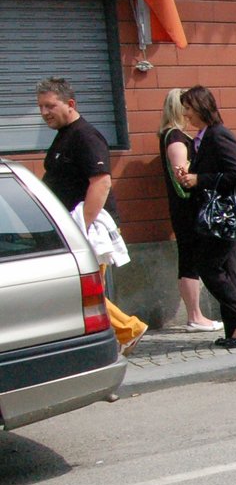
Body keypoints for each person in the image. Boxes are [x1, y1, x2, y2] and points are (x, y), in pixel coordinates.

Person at [35, 77, 148, 355]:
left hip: (87, 228)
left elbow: (101, 182)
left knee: (81, 291)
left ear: (70, 104)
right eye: (40, 107)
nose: (44, 112)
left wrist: (81, 227)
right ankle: (117, 335)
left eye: (50, 105)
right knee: (80, 291)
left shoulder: (85, 136)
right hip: (69, 227)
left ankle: (129, 330)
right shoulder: (64, 135)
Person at [176, 86, 236, 348]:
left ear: (201, 107)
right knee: (225, 268)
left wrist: (199, 178)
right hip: (221, 211)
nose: (186, 115)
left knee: (209, 266)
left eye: (189, 108)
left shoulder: (219, 135)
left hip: (229, 212)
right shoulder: (205, 137)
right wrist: (191, 176)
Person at [157, 88, 221, 331]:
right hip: (187, 208)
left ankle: (196, 315)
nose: (189, 111)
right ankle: (195, 315)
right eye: (185, 107)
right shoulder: (175, 137)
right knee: (190, 260)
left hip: (184, 208)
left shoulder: (171, 135)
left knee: (189, 259)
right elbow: (182, 172)